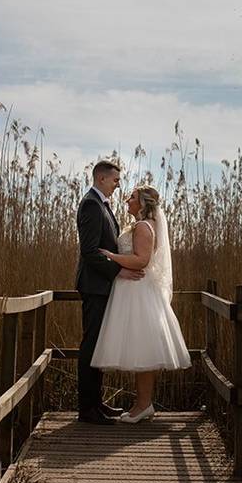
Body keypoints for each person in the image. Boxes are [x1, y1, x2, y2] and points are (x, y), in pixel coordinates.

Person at [91, 183, 191, 423]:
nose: (127, 199)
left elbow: (142, 261)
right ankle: (142, 405)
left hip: (138, 293)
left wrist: (111, 256)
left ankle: (143, 405)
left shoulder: (144, 227)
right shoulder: (140, 225)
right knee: (139, 350)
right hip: (131, 290)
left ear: (143, 203)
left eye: (132, 197)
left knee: (143, 350)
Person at [75, 160, 144, 425]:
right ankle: (87, 409)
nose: (118, 184)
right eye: (115, 180)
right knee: (91, 344)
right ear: (102, 178)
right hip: (94, 286)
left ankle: (96, 404)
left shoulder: (101, 204)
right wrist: (118, 271)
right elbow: (89, 251)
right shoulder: (92, 204)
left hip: (101, 286)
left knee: (98, 344)